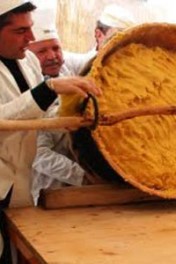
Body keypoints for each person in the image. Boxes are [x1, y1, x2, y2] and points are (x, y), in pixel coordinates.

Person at [0, 1, 101, 262]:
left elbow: (40, 116)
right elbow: (5, 119)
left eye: (30, 29)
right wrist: (50, 88)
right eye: (21, 31)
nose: (30, 38)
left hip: (19, 187)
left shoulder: (28, 63)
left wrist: (71, 117)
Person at [28, 8, 101, 206]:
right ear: (27, 55)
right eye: (42, 51)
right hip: (51, 190)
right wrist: (83, 177)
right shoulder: (27, 92)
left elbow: (95, 59)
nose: (52, 56)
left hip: (90, 189)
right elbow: (39, 154)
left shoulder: (67, 73)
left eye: (56, 48)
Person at [63, 4, 135, 75]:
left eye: (127, 41)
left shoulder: (135, 70)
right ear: (99, 35)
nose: (122, 47)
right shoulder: (73, 66)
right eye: (116, 38)